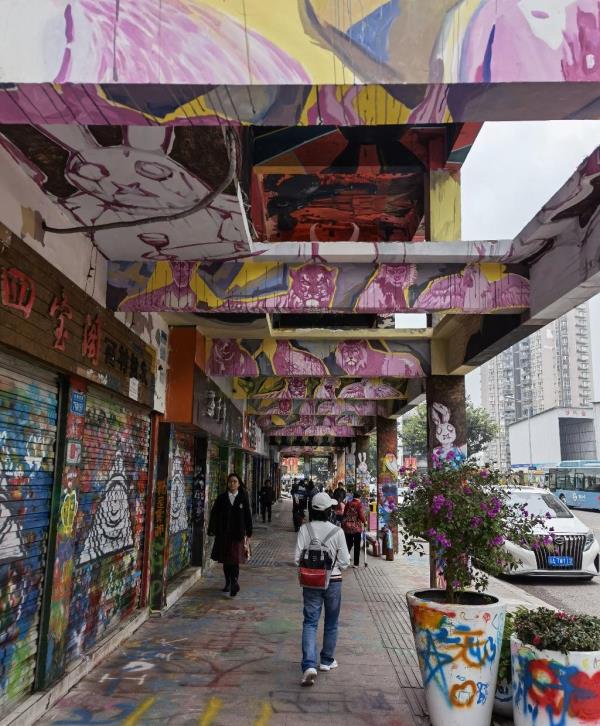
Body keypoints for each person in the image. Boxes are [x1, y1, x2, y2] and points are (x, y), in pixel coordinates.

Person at [295, 492, 350, 687]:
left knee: (310, 622)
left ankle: (309, 665)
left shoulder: (305, 529)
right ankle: (326, 660)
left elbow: (296, 559)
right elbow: (345, 562)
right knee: (331, 622)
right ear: (329, 511)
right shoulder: (337, 531)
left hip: (311, 582)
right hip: (333, 581)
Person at [207, 472, 253, 597]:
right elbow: (214, 515)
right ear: (227, 484)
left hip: (238, 535)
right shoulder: (221, 498)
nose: (232, 484)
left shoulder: (243, 498)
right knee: (226, 561)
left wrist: (249, 532)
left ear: (238, 484)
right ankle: (228, 582)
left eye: (235, 481)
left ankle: (234, 582)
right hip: (224, 535)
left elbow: (248, 516)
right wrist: (212, 529)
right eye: (230, 481)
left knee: (235, 560)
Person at [341, 491, 367, 568]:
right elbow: (361, 515)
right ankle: (356, 564)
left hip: (347, 527)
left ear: (353, 496)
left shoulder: (348, 503)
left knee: (348, 544)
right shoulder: (359, 504)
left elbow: (344, 514)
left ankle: (345, 561)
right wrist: (364, 522)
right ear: (359, 497)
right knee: (357, 546)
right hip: (356, 528)